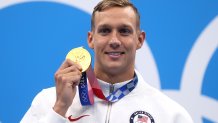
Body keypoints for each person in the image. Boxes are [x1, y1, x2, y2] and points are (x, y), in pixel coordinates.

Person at [21, 0, 194, 122]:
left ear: (140, 40)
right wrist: (59, 109)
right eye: (105, 31)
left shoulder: (171, 115)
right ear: (91, 39)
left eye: (124, 31)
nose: (114, 40)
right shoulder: (48, 101)